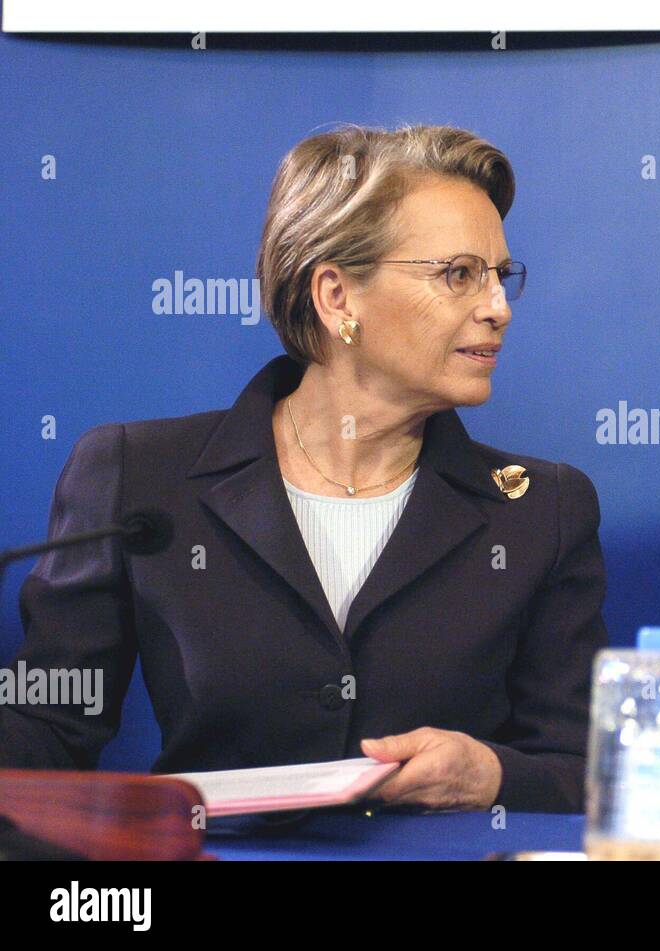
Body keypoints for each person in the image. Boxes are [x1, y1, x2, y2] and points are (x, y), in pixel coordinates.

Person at [0, 124, 608, 814]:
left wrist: (493, 774)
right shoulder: (139, 477)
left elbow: (589, 770)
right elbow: (45, 726)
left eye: (501, 276)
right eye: (459, 274)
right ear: (337, 296)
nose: (497, 307)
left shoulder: (541, 509)